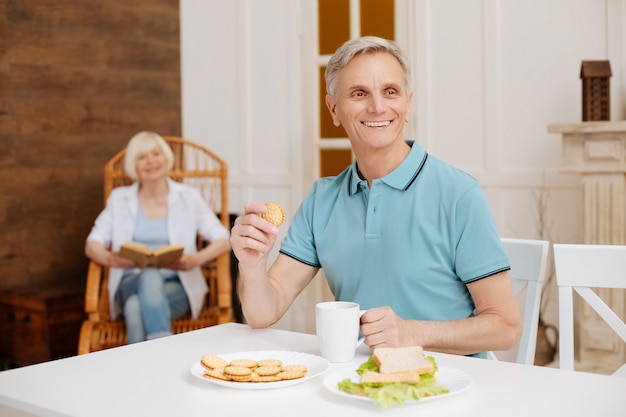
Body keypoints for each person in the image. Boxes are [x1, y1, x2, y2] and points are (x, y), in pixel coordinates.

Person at [230, 36, 522, 357]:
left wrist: (413, 332)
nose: (378, 106)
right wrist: (252, 265)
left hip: (451, 385)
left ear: (407, 105)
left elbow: (505, 327)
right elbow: (262, 313)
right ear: (334, 109)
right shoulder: (322, 199)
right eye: (359, 93)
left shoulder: (459, 194)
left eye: (391, 92)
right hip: (359, 381)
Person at [85, 131, 231, 343]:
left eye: (156, 154)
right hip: (130, 282)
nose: (151, 161)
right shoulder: (119, 199)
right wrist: (110, 259)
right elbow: (92, 244)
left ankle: (139, 372)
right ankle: (164, 354)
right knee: (149, 273)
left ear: (166, 158)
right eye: (142, 157)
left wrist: (195, 260)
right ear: (133, 165)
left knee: (135, 308)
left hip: (178, 286)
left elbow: (223, 238)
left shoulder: (188, 197)